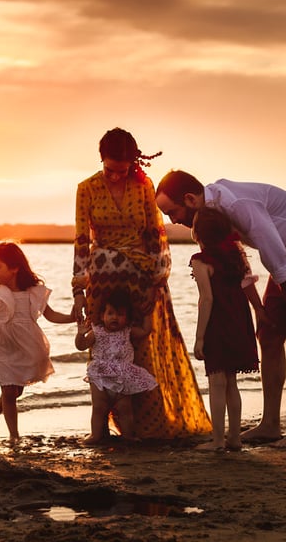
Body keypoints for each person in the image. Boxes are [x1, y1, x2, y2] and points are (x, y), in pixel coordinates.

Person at [156, 170, 286, 448]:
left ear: (190, 199)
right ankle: (270, 424)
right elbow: (241, 263)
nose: (174, 221)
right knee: (268, 334)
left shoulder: (237, 206)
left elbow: (274, 253)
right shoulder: (212, 215)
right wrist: (258, 307)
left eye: (173, 212)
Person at [72, 128, 211, 439]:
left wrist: (157, 282)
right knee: (105, 355)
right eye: (110, 170)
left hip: (140, 282)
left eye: (123, 170)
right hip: (102, 283)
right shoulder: (86, 188)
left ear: (133, 164)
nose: (117, 177)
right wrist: (78, 291)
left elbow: (155, 235)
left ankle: (146, 429)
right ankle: (104, 429)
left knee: (141, 356)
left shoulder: (144, 185)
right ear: (101, 161)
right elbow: (82, 239)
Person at [0, 241, 77, 443]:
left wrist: (72, 317)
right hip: (3, 348)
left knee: (16, 390)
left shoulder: (33, 292)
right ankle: (14, 436)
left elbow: (51, 315)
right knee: (9, 392)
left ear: (15, 267)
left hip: (27, 347)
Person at [189, 207, 264, 452]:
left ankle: (218, 440)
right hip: (239, 322)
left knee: (217, 383)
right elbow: (245, 287)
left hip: (218, 324)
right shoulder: (235, 255)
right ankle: (235, 437)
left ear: (197, 233)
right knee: (231, 382)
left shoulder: (201, 261)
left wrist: (199, 337)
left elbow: (207, 299)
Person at [74, 288, 158, 444]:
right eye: (111, 313)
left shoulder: (128, 331)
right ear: (102, 316)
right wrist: (81, 334)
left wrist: (147, 313)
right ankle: (96, 435)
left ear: (126, 318)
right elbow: (81, 346)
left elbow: (145, 331)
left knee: (125, 409)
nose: (115, 318)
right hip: (100, 376)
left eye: (120, 314)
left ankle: (128, 436)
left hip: (123, 376)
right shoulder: (97, 332)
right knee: (99, 408)